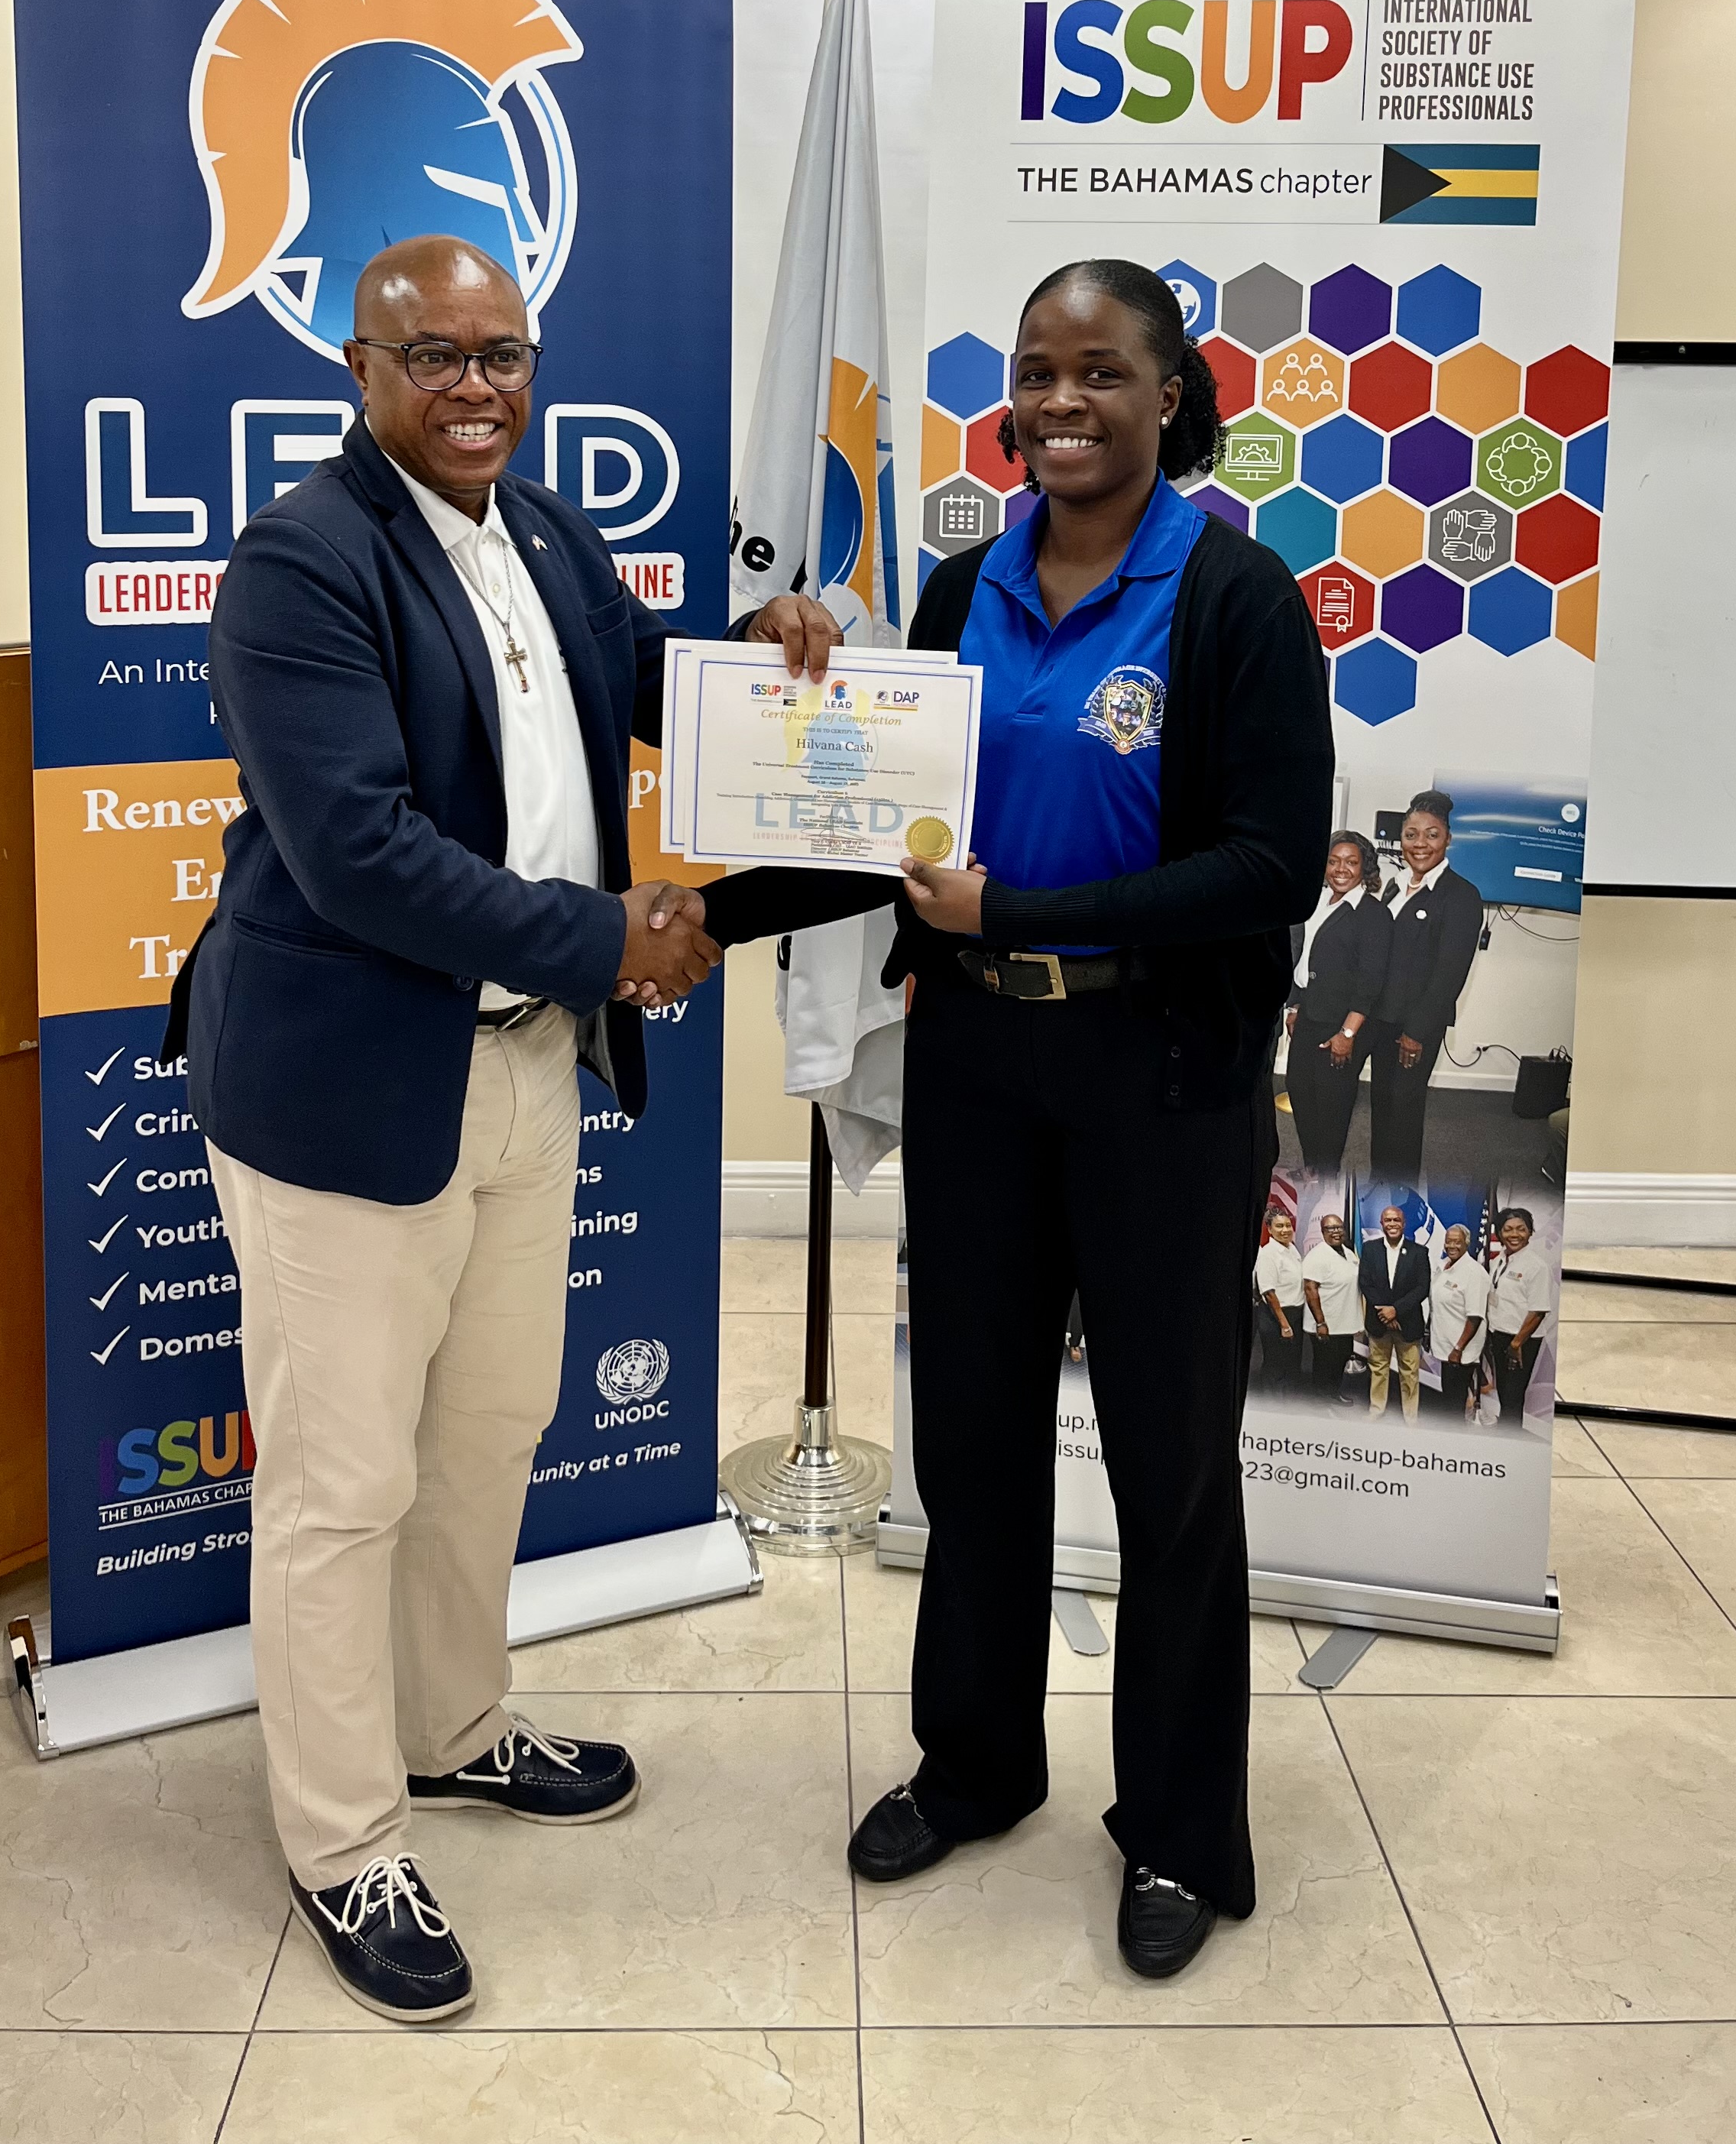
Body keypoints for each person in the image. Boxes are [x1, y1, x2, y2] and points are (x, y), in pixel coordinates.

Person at [184, 233, 839, 2024]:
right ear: (361, 369)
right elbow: (359, 854)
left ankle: (454, 1725)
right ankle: (342, 1841)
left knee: (486, 1434)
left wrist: (760, 657)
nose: (478, 387)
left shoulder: (544, 531)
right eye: (437, 356)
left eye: (504, 354)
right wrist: (609, 942)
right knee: (342, 1485)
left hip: (526, 1062)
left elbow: (640, 680)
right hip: (347, 1088)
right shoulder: (302, 563)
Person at [707, 257, 1332, 1980]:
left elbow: (1268, 869)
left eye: (1100, 372)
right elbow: (880, 827)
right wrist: (696, 920)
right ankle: (975, 1766)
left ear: (1167, 396)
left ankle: (1180, 1827)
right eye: (1037, 372)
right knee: (974, 1440)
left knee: (1169, 1464)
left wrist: (1025, 914)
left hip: (1162, 1081)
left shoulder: (1234, 597)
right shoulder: (959, 582)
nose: (1062, 401)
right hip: (979, 1066)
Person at [1364, 792, 1485, 1181]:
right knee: (1382, 1102)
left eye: (1432, 835)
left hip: (1415, 1026)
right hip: (1380, 1019)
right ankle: (1379, 1183)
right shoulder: (1395, 885)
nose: (1420, 844)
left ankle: (1401, 1194)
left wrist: (1416, 1032)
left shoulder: (1461, 895)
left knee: (1405, 1109)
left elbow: (1450, 974)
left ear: (1448, 838)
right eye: (1411, 834)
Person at [1281, 831, 1386, 1174]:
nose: (1342, 869)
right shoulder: (1317, 903)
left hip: (1341, 1023)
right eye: (1334, 861)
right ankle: (1313, 1167)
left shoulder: (1373, 914)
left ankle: (1326, 1175)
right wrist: (1295, 1006)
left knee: (1331, 1105)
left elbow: (1371, 980)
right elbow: (1303, 959)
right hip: (1309, 1014)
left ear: (1364, 867)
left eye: (1351, 862)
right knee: (1299, 1090)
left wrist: (1348, 1033)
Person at [1359, 1203, 1429, 1422]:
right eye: (1388, 1220)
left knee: (1410, 1372)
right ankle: (1376, 1410)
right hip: (1378, 1322)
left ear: (1404, 1224)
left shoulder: (1419, 1252)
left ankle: (1411, 1416)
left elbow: (1422, 1288)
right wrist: (1385, 1313)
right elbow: (1365, 1283)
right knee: (1378, 1369)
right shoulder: (1370, 1249)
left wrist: (1396, 1311)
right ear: (1381, 1224)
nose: (1392, 1224)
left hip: (1408, 1323)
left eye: (1396, 1220)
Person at [1485, 1208, 1553, 1433]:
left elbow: (1539, 1311)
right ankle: (1506, 1434)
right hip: (1499, 1335)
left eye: (1521, 1229)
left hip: (1522, 1341)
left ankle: (1510, 1441)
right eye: (1508, 1229)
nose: (1514, 1235)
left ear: (1530, 1232)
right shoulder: (1499, 1260)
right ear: (1500, 1233)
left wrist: (1516, 1344)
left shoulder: (1536, 1266)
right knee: (1505, 1395)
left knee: (1513, 1396)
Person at [1429, 1223, 1489, 1419]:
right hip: (1446, 1346)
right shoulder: (1444, 1266)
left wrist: (1458, 1349)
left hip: (1460, 1350)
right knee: (1449, 1398)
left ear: (1467, 1244)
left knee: (1454, 1403)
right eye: (1449, 1241)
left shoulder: (1474, 1272)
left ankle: (1454, 1435)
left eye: (1457, 1242)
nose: (1452, 1246)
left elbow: (1475, 1316)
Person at [1298, 1211, 1359, 1402]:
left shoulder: (1347, 1252)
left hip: (1343, 1322)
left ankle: (1332, 1392)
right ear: (1322, 1231)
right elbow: (1310, 1289)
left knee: (1341, 1358)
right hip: (1326, 1322)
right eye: (1330, 1228)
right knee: (1326, 1362)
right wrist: (1320, 1322)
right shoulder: (1317, 1256)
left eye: (1339, 1227)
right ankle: (1323, 1398)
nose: (1336, 1232)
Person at [1254, 1207, 1305, 1392]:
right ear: (1269, 1229)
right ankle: (1272, 1404)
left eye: (1288, 1225)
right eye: (1279, 1226)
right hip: (1276, 1316)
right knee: (1275, 1366)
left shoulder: (1291, 1248)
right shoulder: (1269, 1253)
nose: (1285, 1230)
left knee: (1291, 1365)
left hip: (1294, 1314)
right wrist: (1284, 1325)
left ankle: (1288, 1404)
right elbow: (1269, 1293)